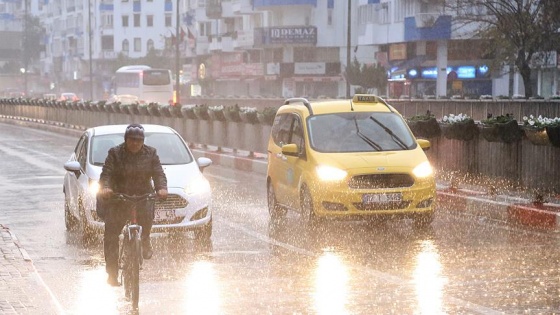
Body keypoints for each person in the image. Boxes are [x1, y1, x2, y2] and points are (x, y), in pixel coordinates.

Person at [98, 123, 168, 286]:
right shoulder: (115, 153)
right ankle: (112, 273)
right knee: (111, 235)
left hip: (143, 195)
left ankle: (145, 239)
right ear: (126, 140)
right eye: (132, 140)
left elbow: (158, 173)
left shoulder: (151, 153)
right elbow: (106, 174)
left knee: (147, 215)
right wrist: (107, 188)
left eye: (138, 140)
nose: (135, 143)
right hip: (119, 197)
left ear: (143, 141)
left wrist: (162, 188)